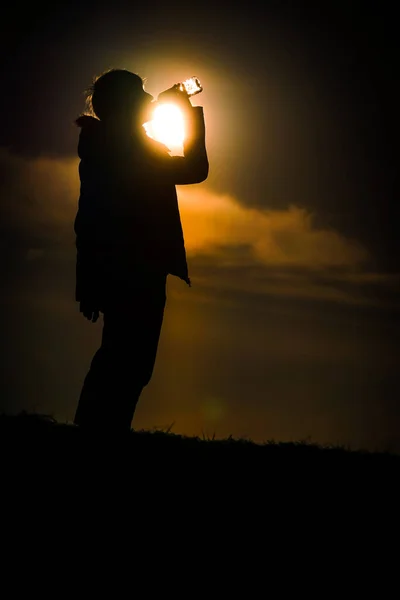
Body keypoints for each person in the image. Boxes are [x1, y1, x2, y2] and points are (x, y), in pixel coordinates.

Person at [73, 68, 208, 431]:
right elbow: (196, 168)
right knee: (126, 360)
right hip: (134, 267)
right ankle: (98, 432)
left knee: (126, 360)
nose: (150, 99)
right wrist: (188, 113)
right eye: (141, 93)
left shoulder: (117, 145)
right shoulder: (125, 148)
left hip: (128, 266)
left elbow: (87, 217)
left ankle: (101, 430)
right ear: (125, 104)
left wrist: (87, 280)